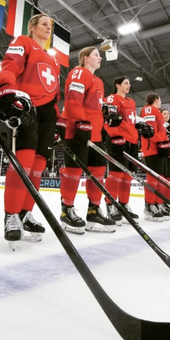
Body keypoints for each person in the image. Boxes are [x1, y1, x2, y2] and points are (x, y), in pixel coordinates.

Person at [0, 13, 59, 246]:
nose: (48, 28)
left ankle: (25, 212)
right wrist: (8, 91)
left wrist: (57, 119)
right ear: (32, 28)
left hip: (48, 113)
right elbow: (10, 65)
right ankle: (11, 214)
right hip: (28, 107)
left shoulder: (53, 59)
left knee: (39, 167)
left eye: (50, 26)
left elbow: (54, 91)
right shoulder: (22, 41)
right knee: (24, 162)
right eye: (44, 24)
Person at [56, 46, 116, 234]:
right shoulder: (78, 72)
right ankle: (67, 210)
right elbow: (73, 99)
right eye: (97, 55)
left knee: (98, 170)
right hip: (77, 130)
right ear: (85, 58)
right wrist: (81, 122)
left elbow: (95, 107)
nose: (100, 58)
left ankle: (94, 210)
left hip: (95, 134)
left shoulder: (98, 81)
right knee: (73, 171)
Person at [102, 76, 140, 225]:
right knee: (116, 174)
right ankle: (110, 205)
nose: (129, 85)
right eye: (126, 83)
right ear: (117, 85)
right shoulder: (112, 99)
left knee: (128, 175)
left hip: (132, 140)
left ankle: (124, 204)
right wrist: (115, 135)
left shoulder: (131, 101)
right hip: (118, 138)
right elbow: (109, 120)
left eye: (129, 83)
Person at [139, 93, 170, 221]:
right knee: (153, 179)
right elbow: (149, 131)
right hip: (152, 149)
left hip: (158, 148)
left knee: (159, 178)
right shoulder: (149, 109)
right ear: (156, 99)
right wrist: (162, 140)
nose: (161, 101)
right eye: (160, 99)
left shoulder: (155, 111)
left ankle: (157, 203)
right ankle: (149, 206)